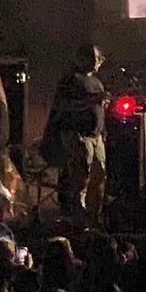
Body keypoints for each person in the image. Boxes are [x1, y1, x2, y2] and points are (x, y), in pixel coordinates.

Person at [47, 44, 107, 218]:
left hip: (96, 136)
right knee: (81, 177)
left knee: (99, 175)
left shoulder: (97, 82)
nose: (98, 62)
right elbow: (63, 106)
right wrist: (92, 102)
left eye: (99, 58)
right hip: (78, 134)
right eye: (95, 58)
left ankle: (94, 215)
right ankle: (77, 217)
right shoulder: (71, 80)